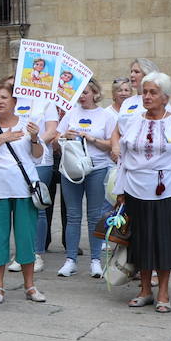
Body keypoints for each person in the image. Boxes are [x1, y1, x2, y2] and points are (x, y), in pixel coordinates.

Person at [114, 72, 171, 313]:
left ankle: (163, 291)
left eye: (153, 92)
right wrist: (121, 189)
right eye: (145, 92)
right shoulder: (132, 120)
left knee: (164, 241)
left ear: (165, 97)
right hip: (135, 188)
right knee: (140, 240)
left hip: (167, 190)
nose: (147, 96)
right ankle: (144, 290)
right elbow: (124, 157)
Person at [0, 85, 46, 304]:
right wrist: (3, 138)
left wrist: (34, 137)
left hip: (24, 189)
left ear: (14, 101)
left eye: (4, 97)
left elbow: (39, 156)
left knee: (26, 237)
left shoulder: (27, 124)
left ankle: (30, 286)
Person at [56, 79, 115, 278]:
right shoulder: (71, 113)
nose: (82, 96)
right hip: (71, 169)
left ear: (95, 93)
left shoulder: (105, 116)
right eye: (79, 93)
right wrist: (65, 135)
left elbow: (111, 145)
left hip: (97, 167)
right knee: (72, 215)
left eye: (86, 92)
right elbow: (56, 139)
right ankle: (70, 259)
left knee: (94, 215)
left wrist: (92, 139)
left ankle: (95, 260)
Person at [13, 92, 59, 271]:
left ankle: (36, 253)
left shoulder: (47, 101)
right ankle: (21, 252)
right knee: (19, 206)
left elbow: (51, 130)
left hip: (40, 160)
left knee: (37, 207)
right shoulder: (15, 99)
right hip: (16, 161)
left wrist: (32, 142)